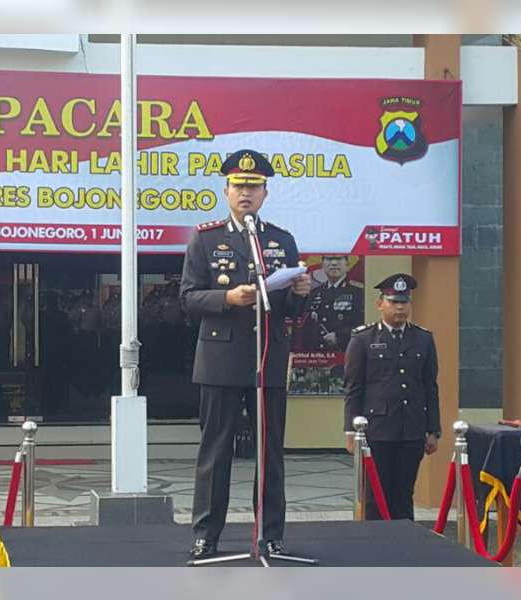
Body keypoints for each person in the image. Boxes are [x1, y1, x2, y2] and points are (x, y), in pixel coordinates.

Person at [180, 149, 311, 559]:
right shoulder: (206, 237)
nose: (246, 194)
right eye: (239, 186)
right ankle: (206, 535)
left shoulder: (280, 240)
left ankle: (271, 534)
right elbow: (187, 297)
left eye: (253, 187)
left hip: (267, 356)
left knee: (269, 452)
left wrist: (301, 295)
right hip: (220, 358)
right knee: (215, 451)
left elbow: (290, 307)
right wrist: (228, 298)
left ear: (266, 192)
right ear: (226, 190)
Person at [342, 273, 441, 520]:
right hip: (377, 431)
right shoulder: (363, 339)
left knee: (403, 495)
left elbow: (430, 387)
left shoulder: (423, 338)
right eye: (393, 301)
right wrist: (350, 432)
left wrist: (433, 430)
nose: (399, 307)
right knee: (376, 496)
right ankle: (375, 551)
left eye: (404, 302)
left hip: (411, 430)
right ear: (380, 304)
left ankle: (404, 550)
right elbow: (353, 388)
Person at [299, 255, 363, 352]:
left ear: (347, 264)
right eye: (328, 259)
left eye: (338, 259)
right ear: (323, 264)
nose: (333, 263)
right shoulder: (315, 293)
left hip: (347, 352)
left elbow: (366, 324)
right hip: (318, 356)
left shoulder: (359, 292)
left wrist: (340, 336)